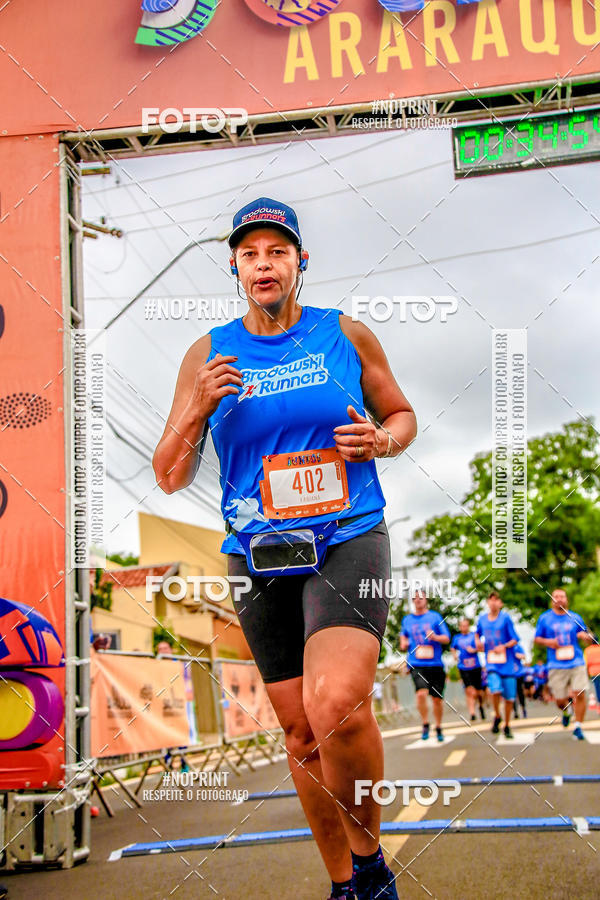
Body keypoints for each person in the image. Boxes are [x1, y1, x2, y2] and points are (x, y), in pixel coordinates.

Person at [153, 197, 417, 900]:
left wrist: (381, 440)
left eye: (277, 251)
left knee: (338, 703)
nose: (263, 264)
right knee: (301, 734)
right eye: (250, 254)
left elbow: (401, 414)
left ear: (301, 262)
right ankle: (342, 884)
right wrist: (197, 407)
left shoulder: (344, 333)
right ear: (235, 268)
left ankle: (370, 864)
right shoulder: (208, 352)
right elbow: (169, 475)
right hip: (258, 553)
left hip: (347, 534)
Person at [534, 588, 594, 741]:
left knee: (580, 692)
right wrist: (549, 642)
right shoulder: (545, 618)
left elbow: (587, 634)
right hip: (556, 664)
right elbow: (537, 639)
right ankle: (567, 711)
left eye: (562, 596)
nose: (559, 599)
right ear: (552, 600)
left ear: (566, 599)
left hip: (576, 661)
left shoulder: (575, 617)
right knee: (560, 700)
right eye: (556, 596)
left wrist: (585, 636)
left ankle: (578, 727)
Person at [400, 590, 450, 742]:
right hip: (416, 663)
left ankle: (439, 726)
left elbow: (446, 638)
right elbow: (403, 636)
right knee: (421, 694)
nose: (418, 600)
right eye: (415, 598)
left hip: (435, 664)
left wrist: (435, 637)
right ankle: (425, 723)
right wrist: (403, 643)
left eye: (420, 597)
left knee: (436, 700)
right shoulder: (407, 620)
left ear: (426, 599)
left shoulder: (435, 617)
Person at [475, 592, 519, 740]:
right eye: (491, 600)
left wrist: (504, 646)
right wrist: (478, 642)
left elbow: (515, 639)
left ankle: (507, 724)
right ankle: (497, 715)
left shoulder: (505, 619)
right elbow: (477, 634)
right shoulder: (482, 620)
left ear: (500, 603)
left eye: (496, 600)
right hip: (492, 663)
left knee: (509, 698)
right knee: (495, 690)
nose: (493, 603)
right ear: (487, 602)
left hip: (507, 663)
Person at [451, 617, 485, 721]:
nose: (464, 627)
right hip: (463, 667)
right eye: (462, 626)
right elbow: (452, 648)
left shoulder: (474, 636)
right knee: (470, 691)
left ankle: (481, 705)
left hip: (475, 666)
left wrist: (474, 650)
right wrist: (454, 655)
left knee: (479, 692)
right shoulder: (457, 638)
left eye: (466, 625)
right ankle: (472, 713)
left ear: (468, 626)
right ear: (460, 627)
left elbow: (482, 648)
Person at [584, 637, 600, 710]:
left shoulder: (587, 650)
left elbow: (586, 664)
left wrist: (586, 674)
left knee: (598, 688)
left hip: (594, 672)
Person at [513, 642, 528, 719]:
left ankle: (523, 708)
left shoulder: (517, 646)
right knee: (512, 694)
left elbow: (523, 656)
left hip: (519, 673)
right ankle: (515, 711)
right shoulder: (503, 646)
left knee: (520, 692)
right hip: (509, 673)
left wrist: (514, 654)